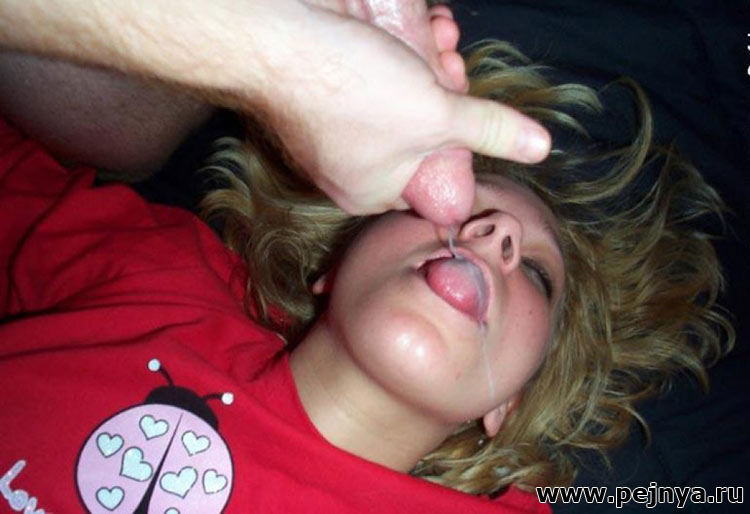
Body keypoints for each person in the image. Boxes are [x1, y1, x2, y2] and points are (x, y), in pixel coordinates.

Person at [0, 2, 733, 514]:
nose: (496, 235)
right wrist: (270, 53)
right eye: (454, 207)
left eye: (537, 275)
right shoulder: (158, 277)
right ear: (334, 265)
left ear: (505, 405)